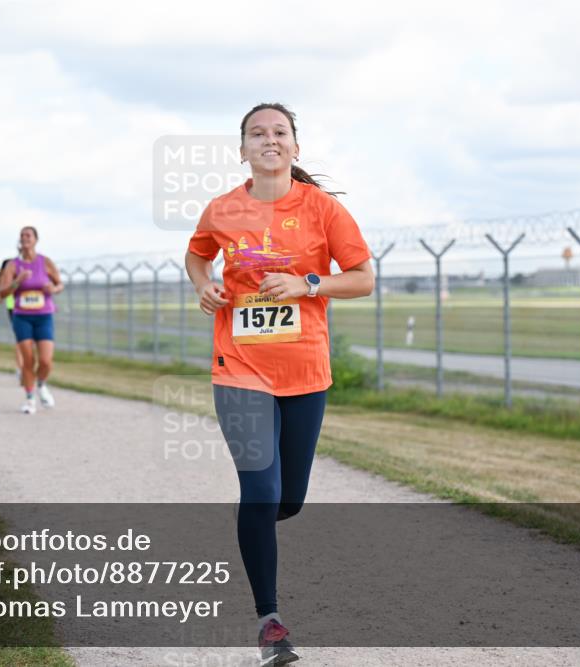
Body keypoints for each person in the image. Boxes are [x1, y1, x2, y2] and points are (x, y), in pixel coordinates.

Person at [185, 103, 374, 666]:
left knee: (288, 500)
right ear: (242, 149)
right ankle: (269, 624)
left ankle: (255, 521)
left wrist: (307, 284)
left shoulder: (321, 208)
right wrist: (205, 286)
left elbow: (363, 279)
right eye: (257, 133)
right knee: (261, 493)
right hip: (239, 368)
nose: (269, 139)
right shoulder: (223, 208)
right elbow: (197, 256)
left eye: (279, 132)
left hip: (305, 371)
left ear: (295, 146)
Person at [0, 226, 62, 414]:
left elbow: (60, 284)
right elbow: (2, 292)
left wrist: (53, 289)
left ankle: (41, 384)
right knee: (28, 360)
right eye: (22, 235)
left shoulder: (45, 262)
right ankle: (29, 398)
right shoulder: (13, 265)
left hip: (44, 315)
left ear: (35, 239)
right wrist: (17, 281)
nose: (25, 238)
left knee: (46, 361)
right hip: (22, 316)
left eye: (28, 235)